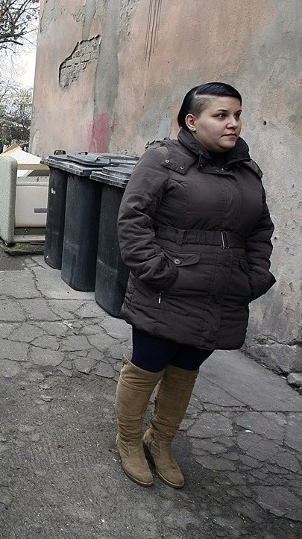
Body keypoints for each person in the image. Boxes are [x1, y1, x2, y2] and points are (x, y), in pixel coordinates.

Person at [115, 82, 275, 489]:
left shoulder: (246, 170)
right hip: (167, 290)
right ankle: (130, 441)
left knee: (186, 371)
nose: (233, 124)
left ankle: (161, 441)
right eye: (221, 115)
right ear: (192, 120)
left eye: (237, 115)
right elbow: (133, 222)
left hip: (222, 295)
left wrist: (254, 277)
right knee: (145, 367)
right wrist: (159, 272)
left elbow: (260, 229)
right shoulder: (163, 160)